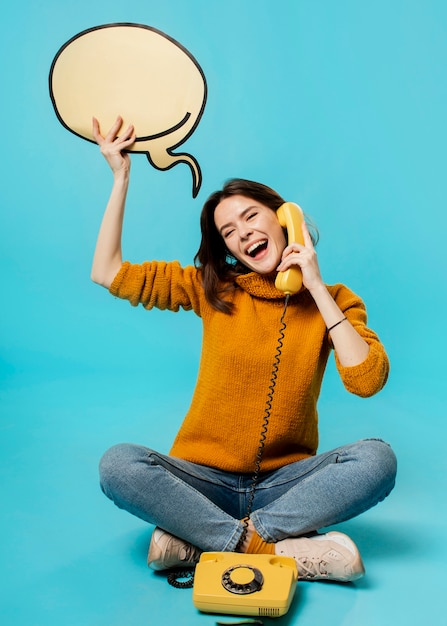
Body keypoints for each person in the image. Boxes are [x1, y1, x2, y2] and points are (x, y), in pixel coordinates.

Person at [91, 116, 397, 583]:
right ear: (228, 249)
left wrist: (314, 286)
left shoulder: (333, 300)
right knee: (118, 464)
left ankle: (200, 543)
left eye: (250, 217)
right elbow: (107, 271)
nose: (242, 234)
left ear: (282, 216)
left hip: (284, 489)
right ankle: (266, 547)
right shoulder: (213, 289)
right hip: (202, 482)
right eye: (228, 233)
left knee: (378, 459)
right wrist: (120, 176)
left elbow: (367, 380)